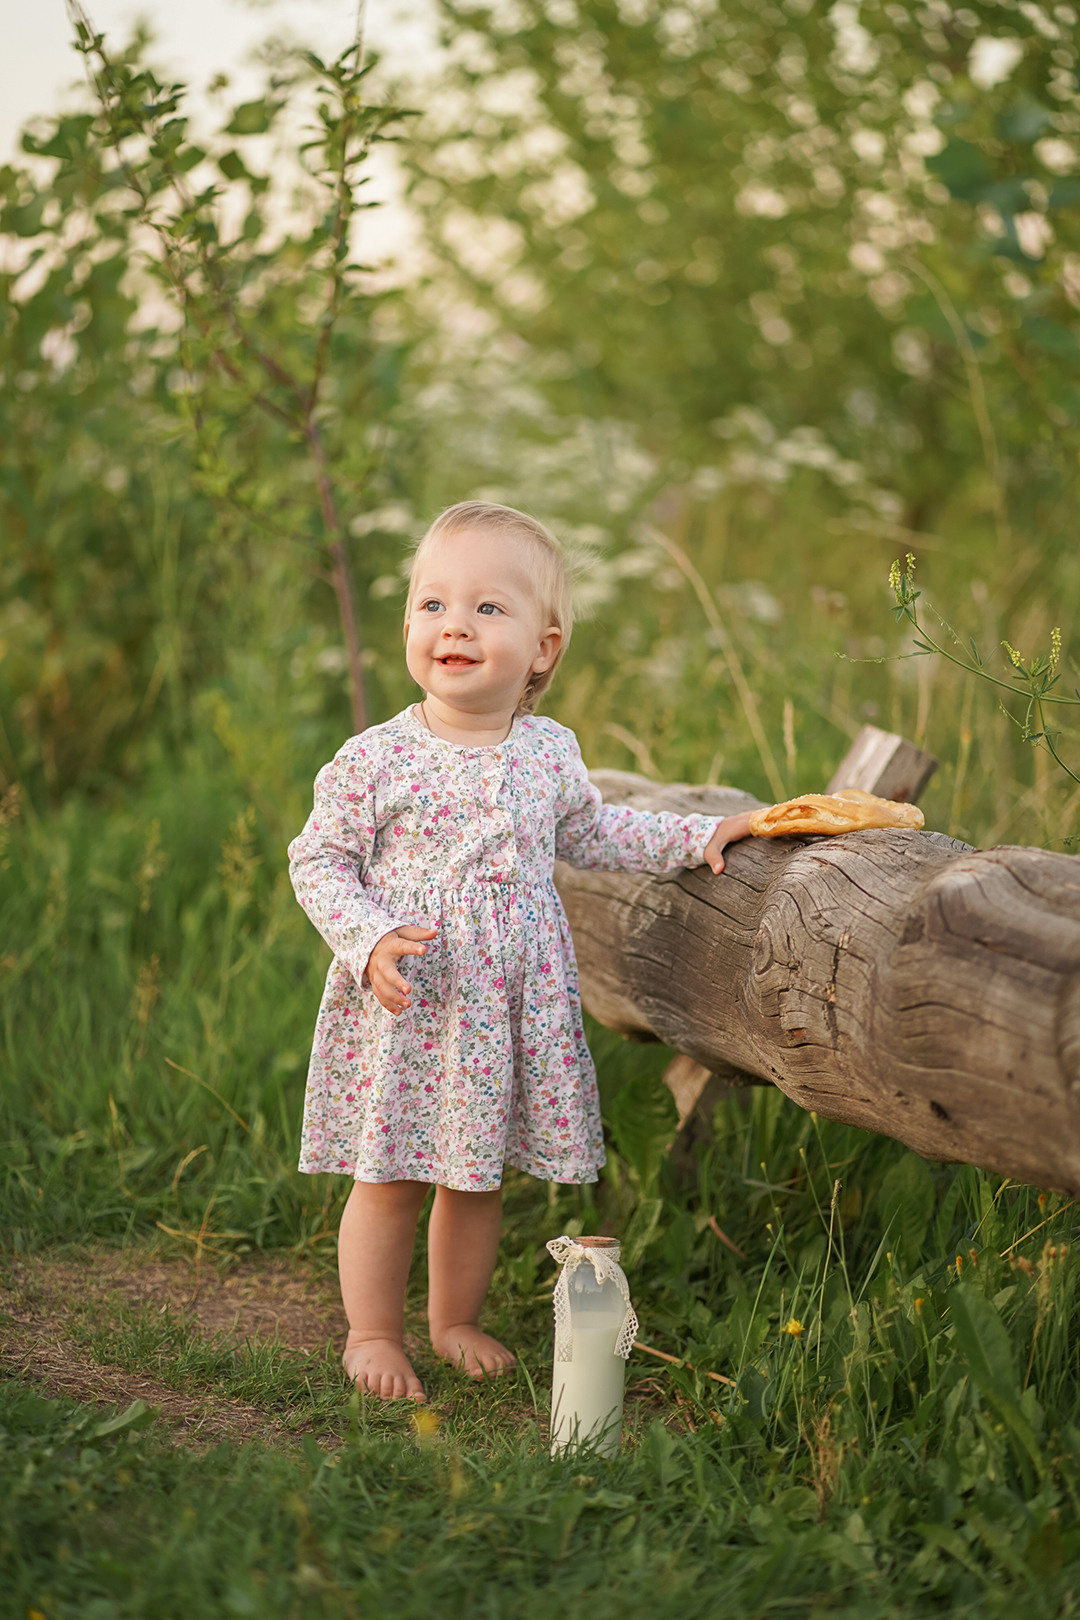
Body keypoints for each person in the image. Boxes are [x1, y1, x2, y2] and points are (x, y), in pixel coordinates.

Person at [288, 501, 754, 1400]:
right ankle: (372, 1331)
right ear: (411, 627)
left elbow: (596, 833)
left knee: (474, 1175)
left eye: (487, 609)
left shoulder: (549, 752)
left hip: (507, 1004)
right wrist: (368, 936)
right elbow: (318, 859)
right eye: (432, 605)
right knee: (389, 1174)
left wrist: (701, 834)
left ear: (543, 647)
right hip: (413, 995)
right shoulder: (375, 758)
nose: (453, 624)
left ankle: (454, 1317)